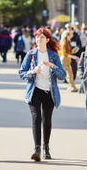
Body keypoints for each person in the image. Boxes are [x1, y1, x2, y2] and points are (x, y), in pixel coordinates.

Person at [18, 28, 66, 162]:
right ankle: (37, 149)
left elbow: (62, 75)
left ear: (48, 40)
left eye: (42, 37)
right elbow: (21, 73)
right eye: (38, 37)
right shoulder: (31, 55)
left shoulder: (53, 55)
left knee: (47, 121)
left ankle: (46, 148)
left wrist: (52, 66)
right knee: (36, 119)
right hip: (34, 91)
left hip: (49, 92)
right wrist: (32, 72)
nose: (39, 40)